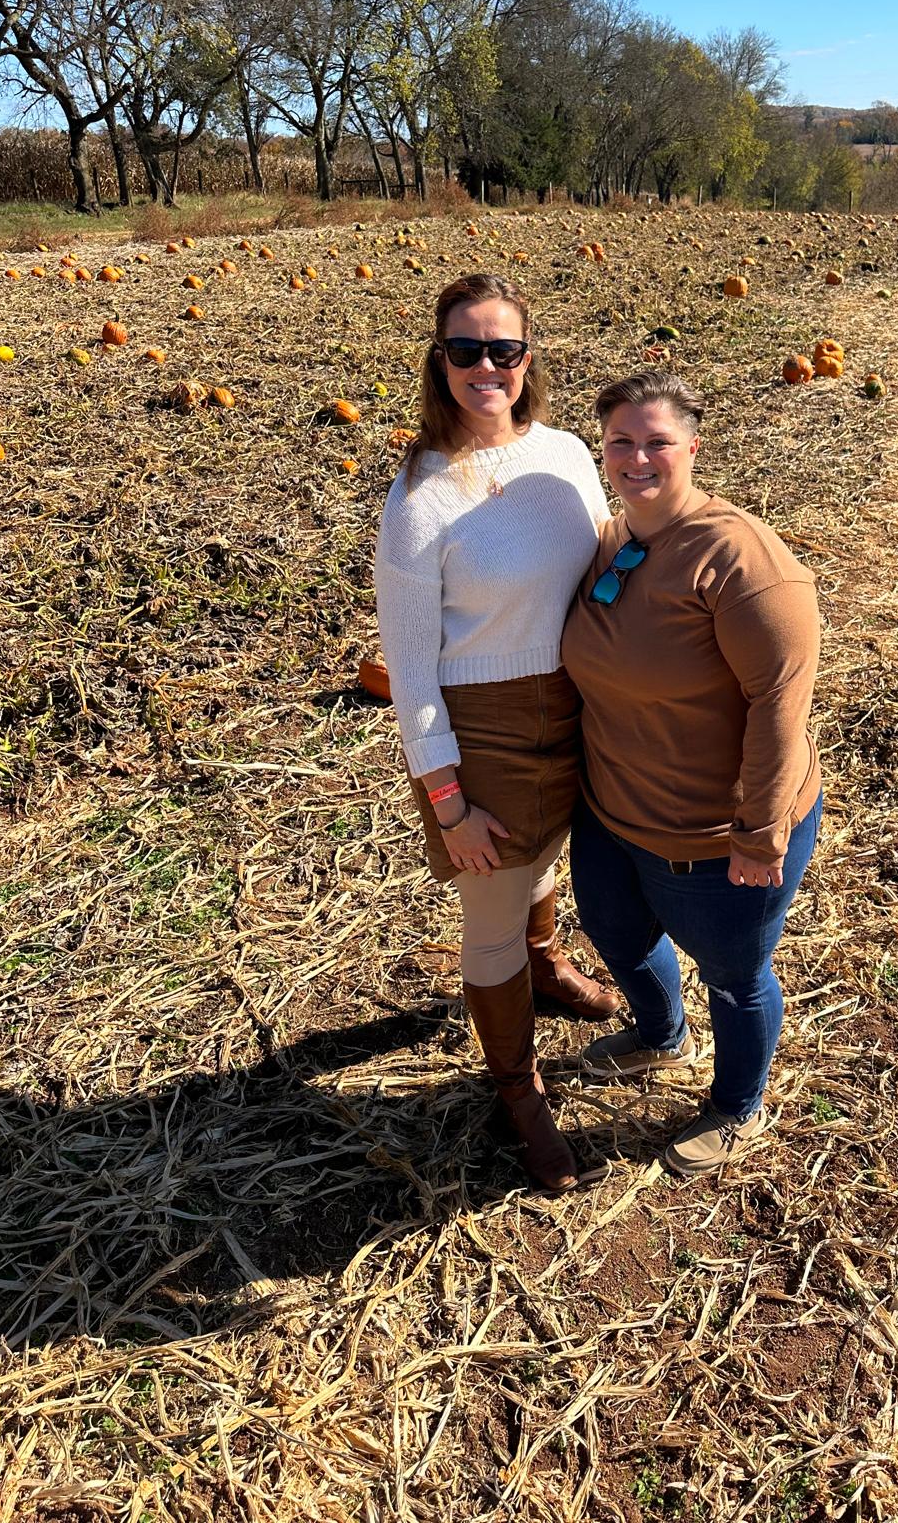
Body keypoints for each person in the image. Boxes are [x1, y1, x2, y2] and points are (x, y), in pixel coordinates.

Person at [374, 273, 620, 1195]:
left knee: (545, 862)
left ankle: (547, 964)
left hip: (581, 700)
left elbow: (606, 554)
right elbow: (412, 676)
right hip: (486, 729)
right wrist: (449, 804)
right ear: (439, 361)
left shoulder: (562, 453)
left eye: (503, 349)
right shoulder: (419, 500)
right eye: (465, 349)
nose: (487, 366)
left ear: (527, 360)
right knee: (491, 906)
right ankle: (516, 1089)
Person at [560, 369, 823, 1176]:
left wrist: (759, 833)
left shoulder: (741, 561)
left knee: (737, 978)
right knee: (615, 932)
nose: (638, 457)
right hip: (613, 810)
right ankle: (659, 1035)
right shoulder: (611, 539)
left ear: (693, 448)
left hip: (715, 832)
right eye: (621, 442)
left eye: (657, 442)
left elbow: (781, 706)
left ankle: (739, 1105)